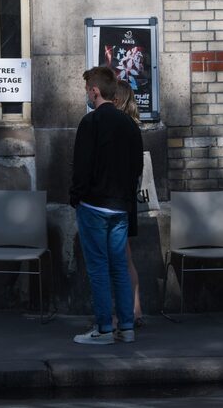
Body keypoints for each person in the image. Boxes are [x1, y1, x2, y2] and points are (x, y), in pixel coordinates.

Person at [70, 67, 143, 345]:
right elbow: (136, 167)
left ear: (95, 91)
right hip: (120, 207)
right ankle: (126, 326)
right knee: (119, 268)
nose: (87, 94)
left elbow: (81, 167)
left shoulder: (91, 123)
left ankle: (102, 328)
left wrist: (76, 196)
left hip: (94, 205)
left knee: (98, 268)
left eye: (87, 89)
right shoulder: (130, 125)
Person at [113, 79, 145, 327]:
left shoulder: (118, 129)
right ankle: (136, 309)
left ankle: (124, 313)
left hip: (117, 201)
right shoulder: (133, 127)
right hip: (128, 200)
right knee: (126, 258)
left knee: (120, 260)